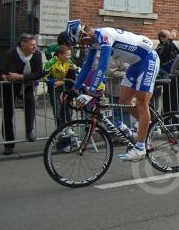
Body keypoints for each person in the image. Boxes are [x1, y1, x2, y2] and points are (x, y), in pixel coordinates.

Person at [66, 20, 158, 161]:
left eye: (82, 42)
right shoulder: (94, 42)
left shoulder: (105, 35)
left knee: (141, 103)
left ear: (85, 35)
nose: (83, 46)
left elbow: (103, 66)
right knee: (124, 101)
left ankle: (140, 147)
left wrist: (90, 92)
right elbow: (87, 67)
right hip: (134, 64)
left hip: (148, 59)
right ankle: (147, 126)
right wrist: (74, 89)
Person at [0, 34, 44, 154]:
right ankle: (9, 143)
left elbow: (39, 73)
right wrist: (18, 77)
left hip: (27, 86)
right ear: (23, 45)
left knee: (30, 106)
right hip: (10, 88)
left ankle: (29, 131)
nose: (35, 47)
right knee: (8, 114)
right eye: (32, 45)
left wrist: (21, 76)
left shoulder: (37, 55)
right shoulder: (11, 54)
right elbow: (9, 73)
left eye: (35, 44)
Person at [43, 45, 78, 129]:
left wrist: (75, 69)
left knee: (68, 111)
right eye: (67, 55)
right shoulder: (51, 62)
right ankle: (60, 135)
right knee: (58, 112)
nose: (69, 57)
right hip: (55, 90)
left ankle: (70, 133)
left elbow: (78, 72)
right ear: (60, 55)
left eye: (70, 55)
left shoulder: (69, 62)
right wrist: (53, 82)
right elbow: (44, 76)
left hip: (66, 89)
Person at [156, 30, 179, 113]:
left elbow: (178, 55)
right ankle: (167, 120)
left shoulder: (171, 46)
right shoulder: (159, 48)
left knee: (176, 101)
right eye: (168, 36)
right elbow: (165, 54)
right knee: (168, 100)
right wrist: (170, 39)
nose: (170, 38)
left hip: (176, 76)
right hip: (167, 77)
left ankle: (175, 120)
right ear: (162, 38)